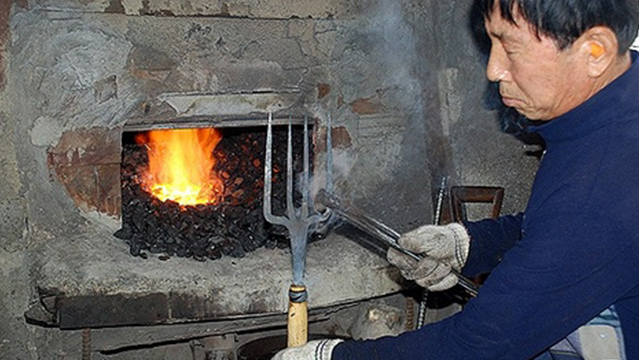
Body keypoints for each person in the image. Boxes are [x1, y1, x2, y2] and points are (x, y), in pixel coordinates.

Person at [273, 0, 639, 358]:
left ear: (595, 51)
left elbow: (479, 345)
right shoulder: (607, 119)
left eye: (511, 48)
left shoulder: (609, 177)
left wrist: (332, 356)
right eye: (492, 42)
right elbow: (556, 232)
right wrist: (468, 245)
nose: (493, 69)